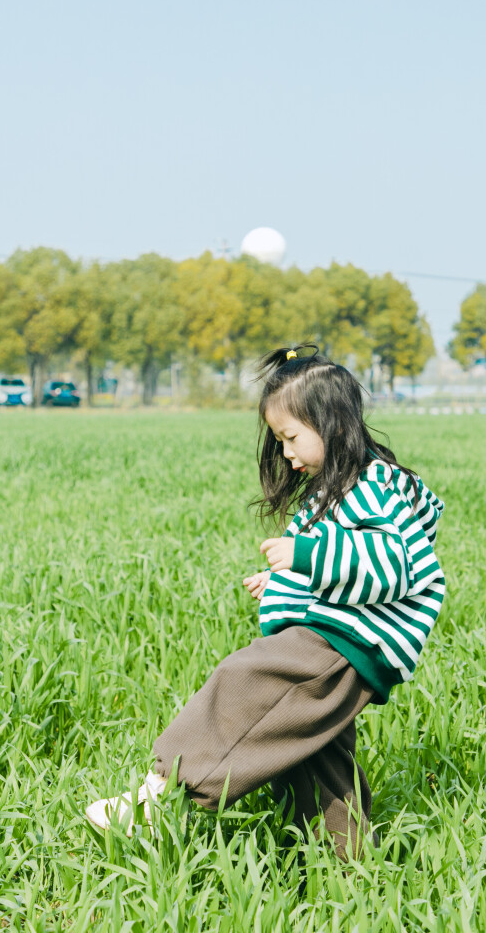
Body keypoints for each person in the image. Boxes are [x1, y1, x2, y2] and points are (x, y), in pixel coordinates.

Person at [85, 345, 446, 858]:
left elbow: (393, 564)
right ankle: (347, 867)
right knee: (310, 751)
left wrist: (304, 555)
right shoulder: (337, 491)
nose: (285, 453)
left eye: (291, 437)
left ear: (333, 425)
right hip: (342, 639)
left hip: (344, 642)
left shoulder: (376, 486)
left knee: (244, 679)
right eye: (278, 441)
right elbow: (337, 566)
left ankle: (160, 800)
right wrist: (283, 580)